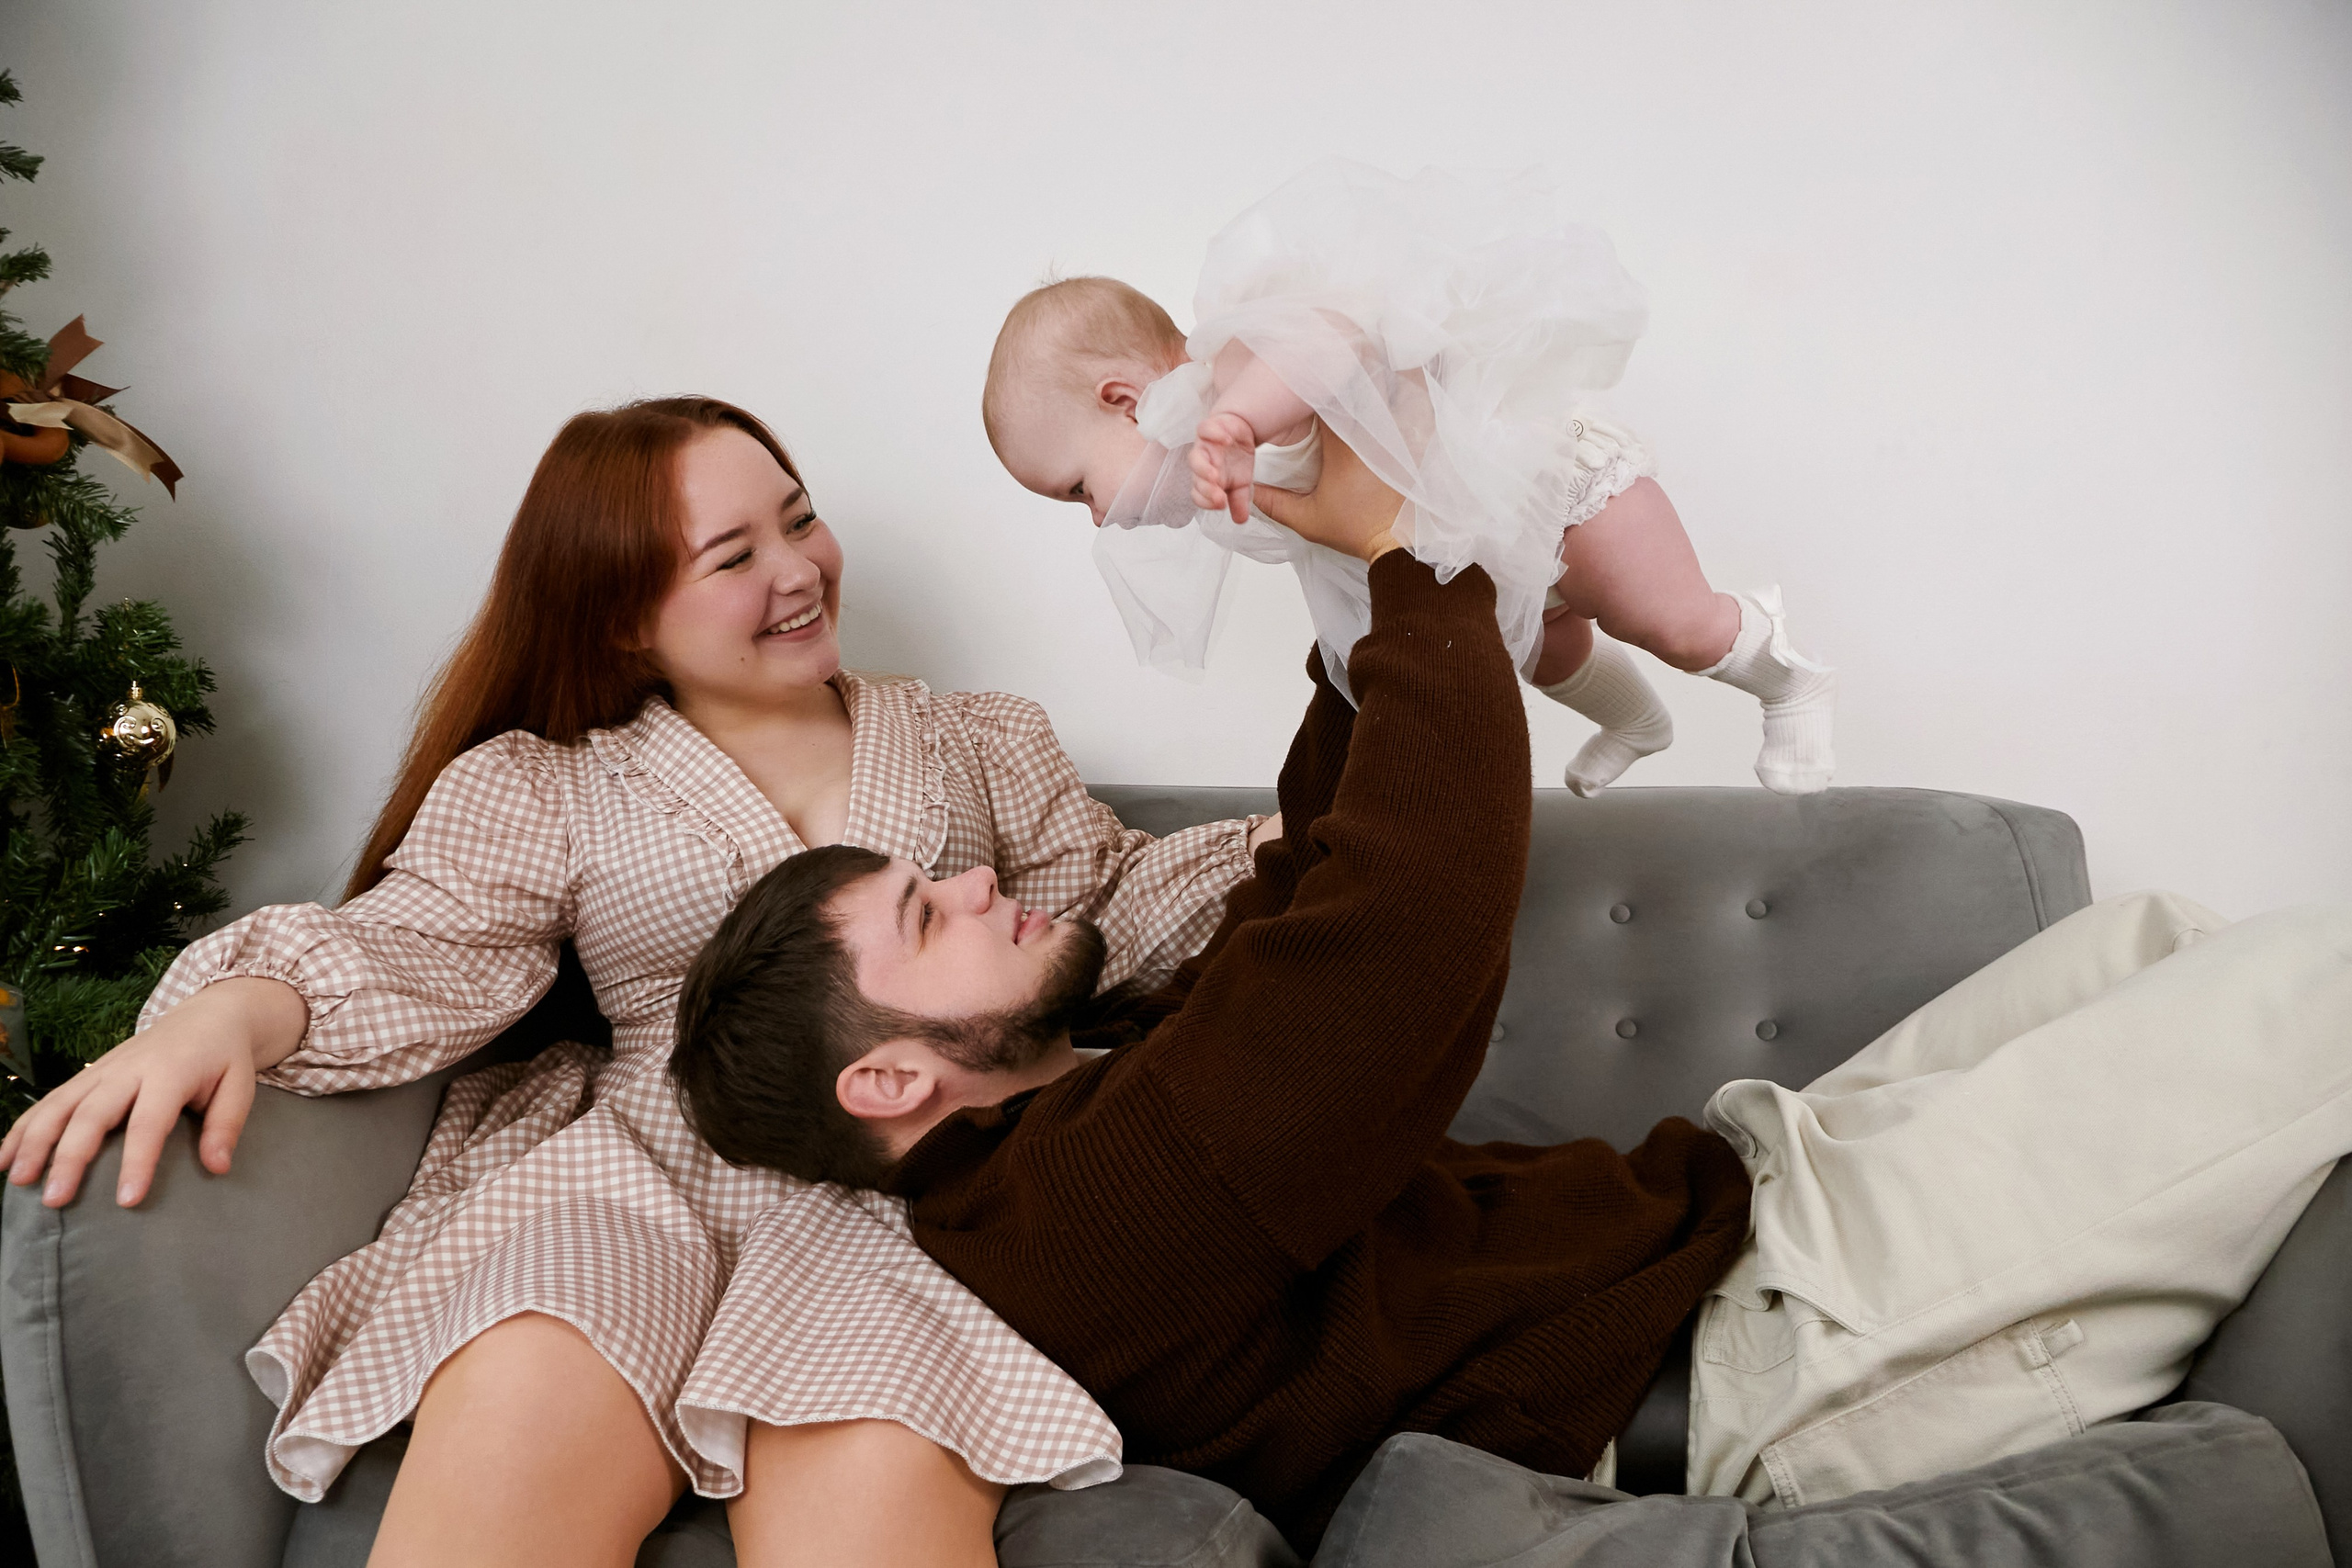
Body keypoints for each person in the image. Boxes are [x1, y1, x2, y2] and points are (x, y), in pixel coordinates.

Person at [672, 430, 2352, 1554]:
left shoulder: (1071, 1123)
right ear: (889, 1081)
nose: (971, 877)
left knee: (2161, 934)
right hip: (1782, 1344)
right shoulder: (1081, 1220)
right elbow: (1400, 930)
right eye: (923, 913)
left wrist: (1342, 619)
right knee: (2324, 980)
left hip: (1749, 1194)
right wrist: (1416, 560)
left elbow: (1306, 894)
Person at [0, 396, 1279, 1567]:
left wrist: (1313, 838)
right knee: (529, 1371)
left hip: (902, 1196)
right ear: (620, 614)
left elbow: (1104, 912)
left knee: (866, 1447)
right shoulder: (545, 786)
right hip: (633, 1173)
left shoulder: (978, 739)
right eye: (734, 557)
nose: (797, 570)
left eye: (802, 517)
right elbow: (415, 942)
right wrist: (231, 1006)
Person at [980, 160, 1836, 795]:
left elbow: (1337, 329)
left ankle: (1788, 677)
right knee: (1549, 651)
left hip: (1554, 498)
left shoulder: (1232, 365)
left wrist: (1241, 412)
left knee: (1673, 623)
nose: (1097, 521)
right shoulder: (1215, 491)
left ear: (1125, 401)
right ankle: (1638, 721)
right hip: (1480, 558)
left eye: (1075, 490)